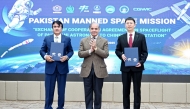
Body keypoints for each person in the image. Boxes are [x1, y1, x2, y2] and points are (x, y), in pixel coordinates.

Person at [115, 17, 148, 109]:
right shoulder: (121, 37)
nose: (129, 25)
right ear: (125, 25)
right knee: (125, 90)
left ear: (134, 25)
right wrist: (121, 55)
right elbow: (117, 50)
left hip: (137, 67)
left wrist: (141, 62)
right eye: (127, 23)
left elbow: (145, 52)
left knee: (137, 90)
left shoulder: (141, 37)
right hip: (125, 67)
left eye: (131, 23)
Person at [40, 20, 74, 109]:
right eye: (54, 27)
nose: (56, 28)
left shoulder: (67, 39)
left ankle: (60, 107)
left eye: (58, 27)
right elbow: (42, 50)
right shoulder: (47, 38)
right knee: (49, 90)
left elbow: (71, 51)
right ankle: (48, 107)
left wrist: (66, 57)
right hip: (50, 68)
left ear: (61, 28)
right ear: (52, 28)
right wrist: (45, 56)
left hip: (62, 68)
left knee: (61, 90)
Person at [78, 22, 109, 109]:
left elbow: (106, 54)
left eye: (96, 29)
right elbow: (80, 54)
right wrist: (90, 51)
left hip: (99, 71)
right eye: (92, 28)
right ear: (89, 29)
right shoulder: (83, 40)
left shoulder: (104, 41)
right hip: (86, 70)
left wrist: (96, 49)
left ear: (99, 30)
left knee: (98, 93)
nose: (94, 30)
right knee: (87, 92)